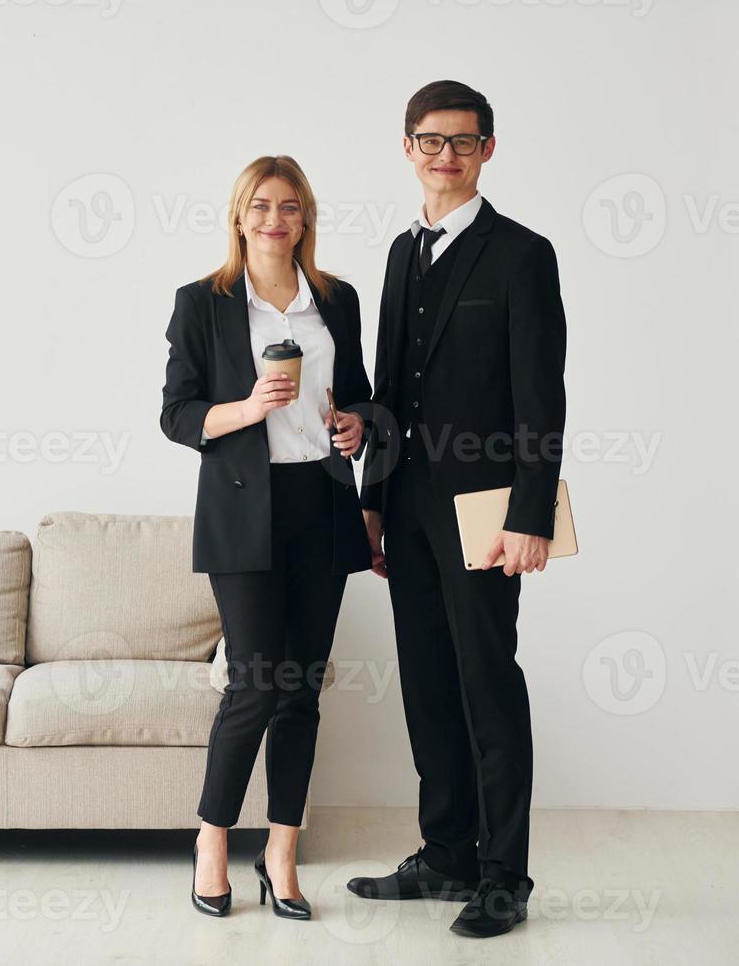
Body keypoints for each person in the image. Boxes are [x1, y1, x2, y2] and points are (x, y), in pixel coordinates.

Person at [345, 80, 568, 939]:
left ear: (487, 152)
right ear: (408, 148)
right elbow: (389, 392)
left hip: (487, 511)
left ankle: (504, 874)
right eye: (431, 141)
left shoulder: (522, 254)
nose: (446, 156)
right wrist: (373, 502)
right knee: (429, 685)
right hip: (406, 505)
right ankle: (446, 855)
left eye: (464, 143)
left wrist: (532, 514)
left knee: (487, 683)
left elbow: (539, 397)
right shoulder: (403, 256)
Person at [160, 155, 375, 921]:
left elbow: (362, 400)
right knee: (255, 682)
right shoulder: (204, 302)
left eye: (289, 206)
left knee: (300, 692)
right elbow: (178, 415)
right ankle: (212, 840)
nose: (275, 219)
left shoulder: (337, 300)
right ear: (239, 216)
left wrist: (356, 423)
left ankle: (281, 851)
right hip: (244, 511)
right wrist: (249, 407)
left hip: (320, 503)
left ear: (305, 217)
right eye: (261, 206)